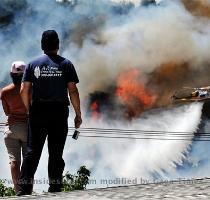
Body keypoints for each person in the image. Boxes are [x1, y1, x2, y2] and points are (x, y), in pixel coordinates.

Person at [17, 30, 82, 195]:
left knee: (32, 151)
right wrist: (78, 114)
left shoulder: (32, 64)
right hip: (59, 112)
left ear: (42, 45)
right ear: (58, 45)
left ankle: (23, 188)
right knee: (56, 152)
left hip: (38, 110)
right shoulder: (66, 64)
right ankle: (55, 187)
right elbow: (73, 91)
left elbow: (24, 90)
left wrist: (28, 110)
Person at [0, 61, 28, 192]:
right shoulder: (31, 90)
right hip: (28, 129)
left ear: (11, 74)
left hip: (11, 129)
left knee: (14, 161)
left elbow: (7, 112)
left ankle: (18, 190)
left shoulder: (5, 92)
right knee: (28, 162)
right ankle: (28, 189)